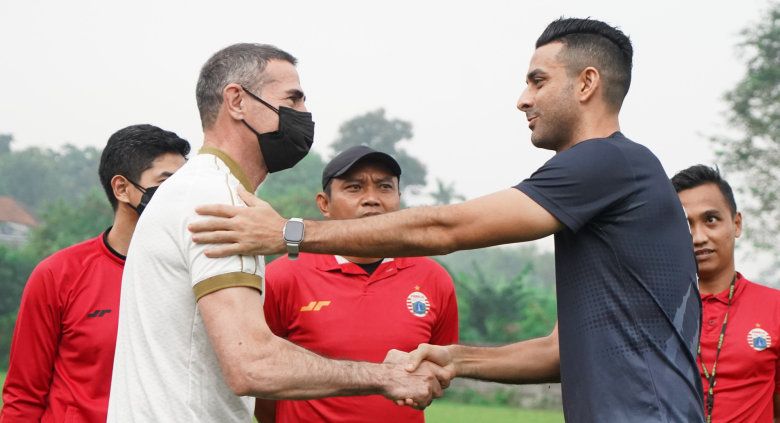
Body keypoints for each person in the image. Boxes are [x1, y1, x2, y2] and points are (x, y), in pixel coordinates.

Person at [189, 19, 705, 422]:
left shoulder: (609, 162)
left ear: (588, 82)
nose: (522, 98)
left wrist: (289, 233)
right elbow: (557, 351)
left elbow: (447, 229)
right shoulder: (606, 181)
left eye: (538, 80)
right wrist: (456, 359)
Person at [106, 44, 443, 423]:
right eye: (292, 100)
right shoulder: (217, 199)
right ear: (236, 100)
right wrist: (385, 376)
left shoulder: (198, 189)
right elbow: (252, 363)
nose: (304, 115)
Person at [254, 145, 459, 423]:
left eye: (385, 187)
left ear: (399, 198)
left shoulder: (433, 278)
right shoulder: (283, 276)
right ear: (324, 204)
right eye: (354, 188)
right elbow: (261, 379)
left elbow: (438, 372)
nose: (371, 199)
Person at [0, 124, 189, 422]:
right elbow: (23, 396)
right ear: (122, 188)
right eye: (166, 182)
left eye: (186, 183)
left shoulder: (194, 275)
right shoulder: (57, 276)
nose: (181, 195)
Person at [672, 165, 780, 423]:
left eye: (710, 219)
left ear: (736, 223)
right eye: (685, 224)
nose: (698, 237)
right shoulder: (655, 310)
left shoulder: (774, 307)